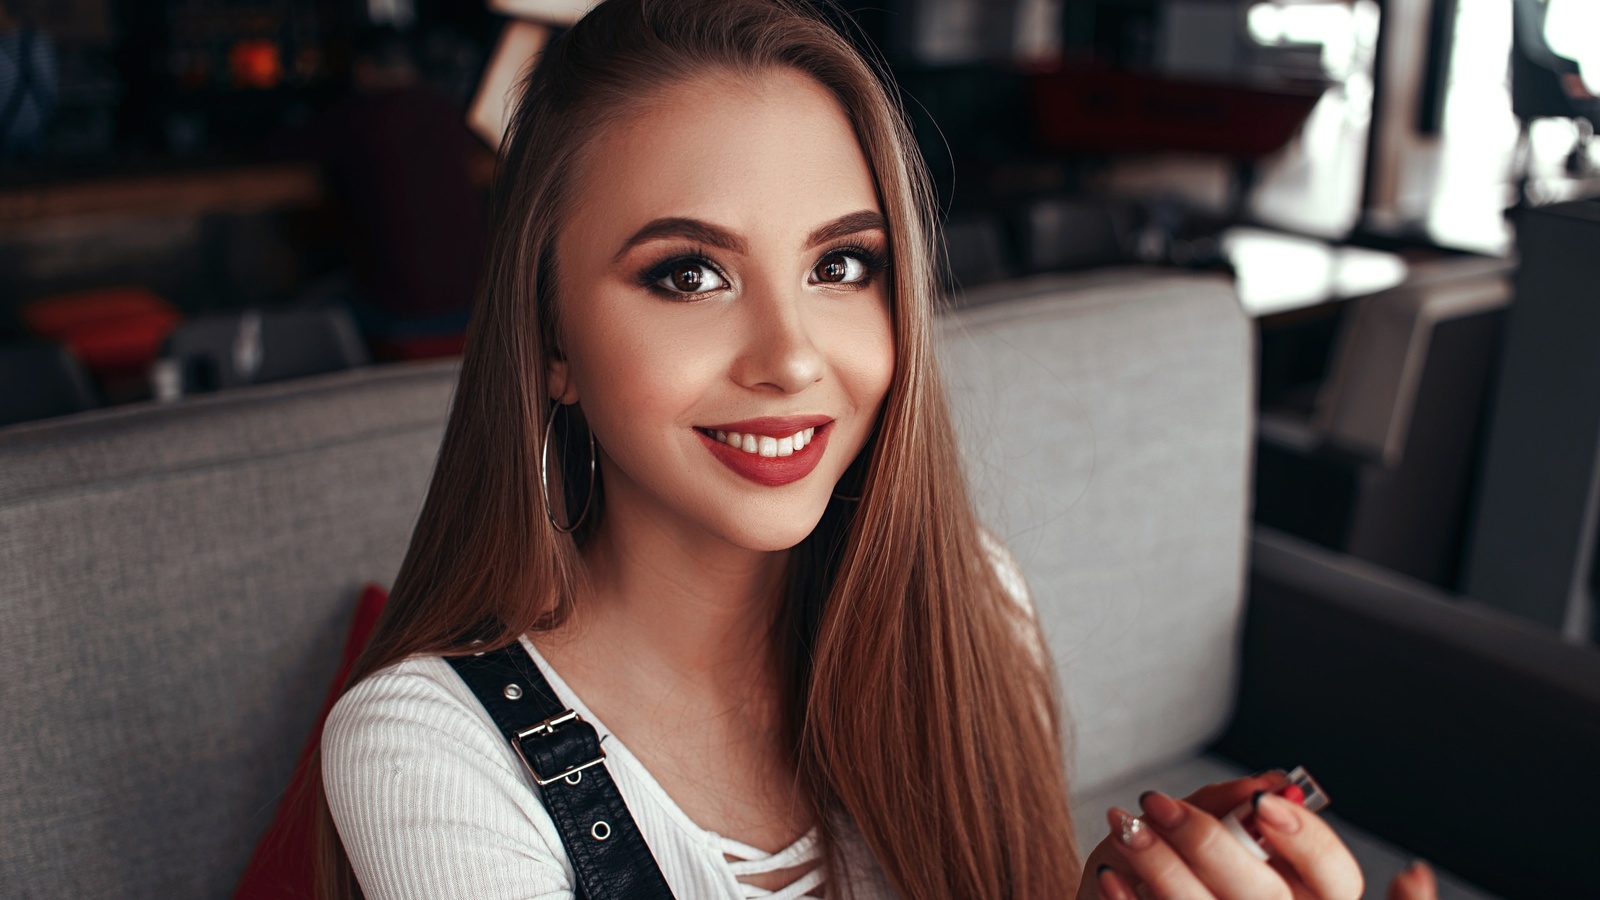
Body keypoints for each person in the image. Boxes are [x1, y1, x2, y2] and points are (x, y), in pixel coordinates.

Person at [313, 1, 1442, 898]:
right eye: (689, 274)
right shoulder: (430, 756)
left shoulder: (968, 600)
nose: (792, 358)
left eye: (841, 266)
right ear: (551, 337)